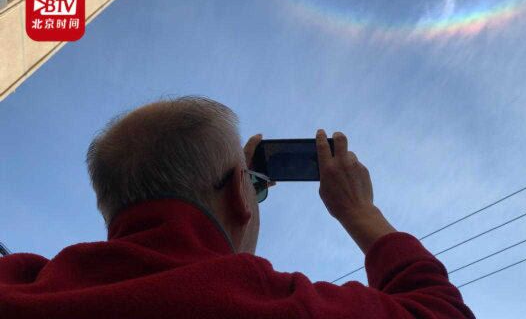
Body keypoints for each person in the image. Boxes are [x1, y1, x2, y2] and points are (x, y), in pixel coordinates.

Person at [0, 96, 475, 318]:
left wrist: (241, 182)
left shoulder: (21, 280)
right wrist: (360, 212)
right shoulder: (263, 299)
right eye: (253, 186)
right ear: (236, 198)